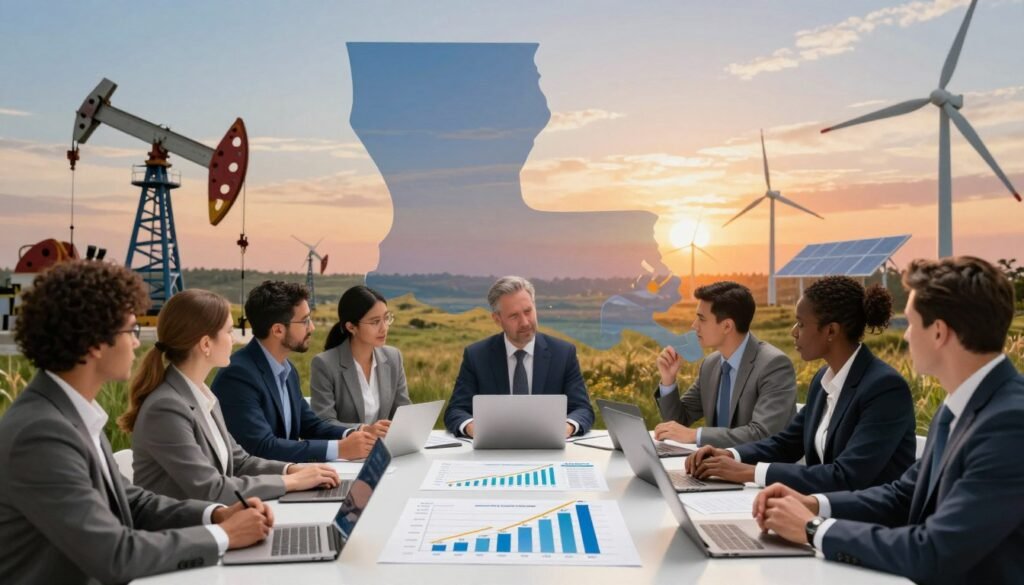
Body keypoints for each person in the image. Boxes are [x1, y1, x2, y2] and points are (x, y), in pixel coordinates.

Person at [753, 257, 1024, 584]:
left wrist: (813, 529)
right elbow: (902, 495)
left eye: (911, 323)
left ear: (939, 332)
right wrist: (812, 504)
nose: (907, 336)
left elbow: (933, 552)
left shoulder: (1010, 423)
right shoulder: (960, 404)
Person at [0, 261, 272, 584]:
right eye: (130, 330)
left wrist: (216, 515)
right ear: (94, 342)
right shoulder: (40, 435)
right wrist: (224, 535)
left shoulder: (70, 413)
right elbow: (114, 555)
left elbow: (133, 502)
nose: (136, 342)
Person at [684, 276, 915, 493]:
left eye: (801, 324)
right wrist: (729, 455)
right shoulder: (824, 380)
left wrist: (751, 472)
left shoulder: (884, 389)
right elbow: (786, 443)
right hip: (822, 510)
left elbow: (846, 476)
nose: (793, 332)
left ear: (831, 331)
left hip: (868, 526)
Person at [121, 289, 341, 505]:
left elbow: (240, 461)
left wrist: (291, 469)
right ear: (206, 344)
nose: (235, 340)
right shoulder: (166, 408)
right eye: (228, 332)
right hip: (182, 532)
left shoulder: (203, 397)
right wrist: (289, 481)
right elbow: (211, 488)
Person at [212, 281, 376, 463]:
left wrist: (359, 433)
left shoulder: (287, 371)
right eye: (305, 320)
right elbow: (261, 447)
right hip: (261, 487)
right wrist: (339, 449)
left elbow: (309, 425)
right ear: (278, 330)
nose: (312, 327)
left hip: (290, 478)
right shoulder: (238, 376)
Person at [443, 276, 595, 438]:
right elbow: (456, 410)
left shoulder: (563, 353)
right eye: (514, 316)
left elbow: (582, 409)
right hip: (494, 450)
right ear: (497, 319)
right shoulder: (476, 355)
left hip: (548, 450)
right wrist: (474, 429)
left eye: (528, 311)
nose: (525, 322)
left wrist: (566, 428)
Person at [653, 281, 797, 447]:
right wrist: (668, 380)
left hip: (753, 468)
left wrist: (696, 435)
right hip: (712, 466)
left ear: (727, 326)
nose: (694, 325)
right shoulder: (711, 364)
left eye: (701, 319)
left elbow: (763, 433)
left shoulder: (774, 365)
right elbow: (677, 423)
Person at [310, 286, 411, 436]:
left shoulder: (393, 357)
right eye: (375, 322)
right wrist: (363, 430)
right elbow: (324, 422)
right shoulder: (324, 364)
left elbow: (403, 413)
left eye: (386, 318)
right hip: (347, 454)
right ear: (351, 327)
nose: (384, 328)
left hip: (385, 450)